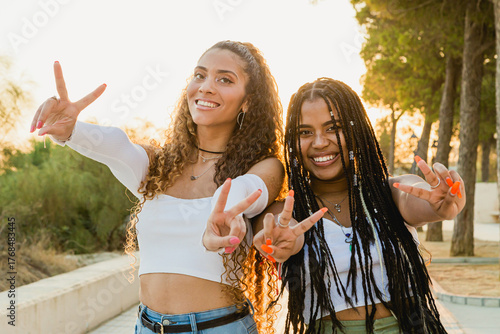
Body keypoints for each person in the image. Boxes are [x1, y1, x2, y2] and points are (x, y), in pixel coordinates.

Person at [30, 41, 288, 334]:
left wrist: (224, 213)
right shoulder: (162, 166)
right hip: (147, 326)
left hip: (218, 328)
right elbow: (118, 147)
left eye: (225, 79)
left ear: (248, 101)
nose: (205, 86)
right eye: (200, 75)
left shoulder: (266, 165)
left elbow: (245, 190)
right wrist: (73, 131)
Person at [253, 77, 465, 333]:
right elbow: (279, 233)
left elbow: (417, 198)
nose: (320, 142)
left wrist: (439, 205)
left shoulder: (390, 192)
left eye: (334, 128)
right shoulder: (284, 211)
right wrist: (280, 241)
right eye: (305, 132)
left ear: (357, 132)